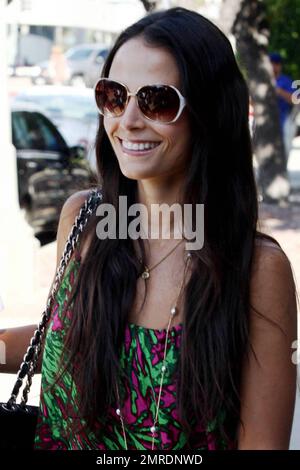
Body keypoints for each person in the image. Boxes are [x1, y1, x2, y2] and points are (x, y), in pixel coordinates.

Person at [0, 8, 297, 450]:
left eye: (157, 100)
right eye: (115, 96)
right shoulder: (83, 219)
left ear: (210, 111)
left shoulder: (257, 270)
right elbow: (66, 339)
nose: (129, 120)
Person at [270, 52, 296, 159]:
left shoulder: (287, 81)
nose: (274, 66)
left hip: (284, 122)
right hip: (266, 125)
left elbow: (295, 100)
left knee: (283, 156)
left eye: (277, 64)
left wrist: (279, 91)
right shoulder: (261, 81)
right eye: (272, 63)